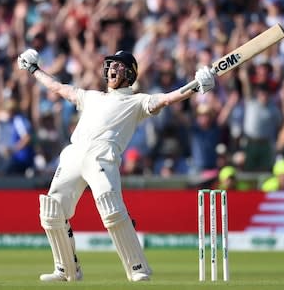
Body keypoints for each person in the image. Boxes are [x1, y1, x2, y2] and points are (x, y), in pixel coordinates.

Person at [17, 49, 215, 282]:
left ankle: (137, 268)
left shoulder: (136, 101)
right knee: (51, 211)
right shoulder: (91, 96)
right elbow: (59, 88)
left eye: (120, 66)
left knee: (111, 210)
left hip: (103, 156)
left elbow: (168, 98)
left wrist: (196, 86)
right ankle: (66, 270)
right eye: (111, 65)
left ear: (130, 74)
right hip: (74, 153)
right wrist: (34, 69)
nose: (113, 69)